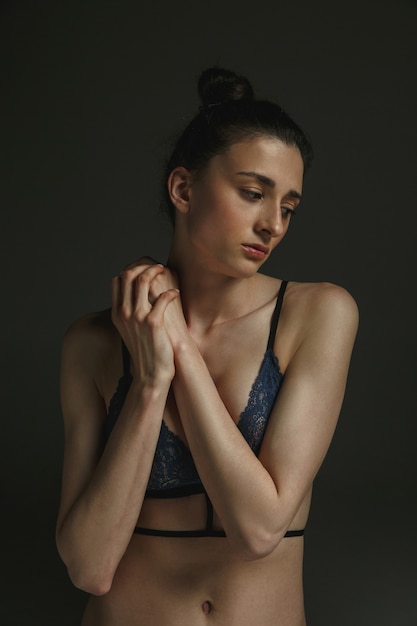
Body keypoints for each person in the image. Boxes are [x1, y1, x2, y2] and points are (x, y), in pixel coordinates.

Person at [56, 66, 359, 626]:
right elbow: (89, 567)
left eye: (288, 208)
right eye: (252, 193)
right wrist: (148, 385)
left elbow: (259, 529)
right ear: (183, 189)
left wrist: (176, 346)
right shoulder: (92, 344)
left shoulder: (316, 314)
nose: (273, 225)